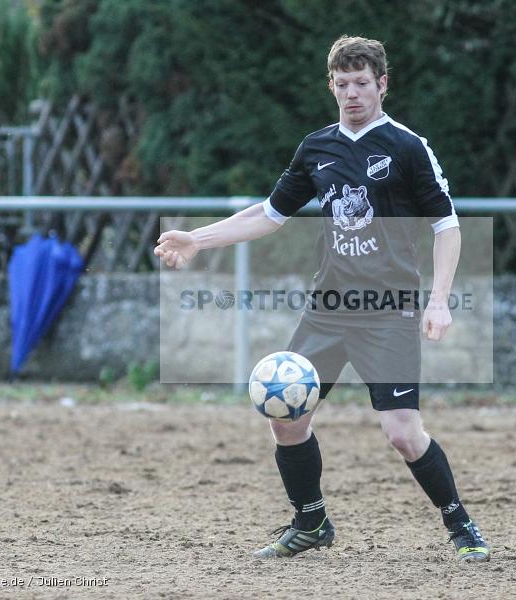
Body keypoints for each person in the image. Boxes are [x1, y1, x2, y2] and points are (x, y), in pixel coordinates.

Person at [155, 35, 489, 563]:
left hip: (390, 310)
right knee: (286, 414)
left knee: (403, 433)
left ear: (382, 84)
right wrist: (198, 238)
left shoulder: (407, 147)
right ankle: (311, 522)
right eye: (342, 84)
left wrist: (440, 300)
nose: (352, 93)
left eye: (362, 83)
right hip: (329, 308)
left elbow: (447, 227)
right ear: (331, 87)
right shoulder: (317, 148)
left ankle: (459, 522)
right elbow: (269, 214)